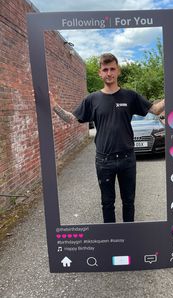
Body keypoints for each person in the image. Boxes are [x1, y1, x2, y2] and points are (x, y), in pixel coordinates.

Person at [50, 53, 165, 223]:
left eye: (112, 69)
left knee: (128, 202)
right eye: (105, 69)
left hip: (127, 159)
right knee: (107, 203)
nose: (109, 73)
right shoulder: (92, 99)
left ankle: (128, 237)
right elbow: (71, 118)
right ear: (100, 73)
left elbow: (155, 110)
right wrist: (53, 105)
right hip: (104, 161)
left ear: (118, 71)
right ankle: (111, 241)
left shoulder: (130, 96)